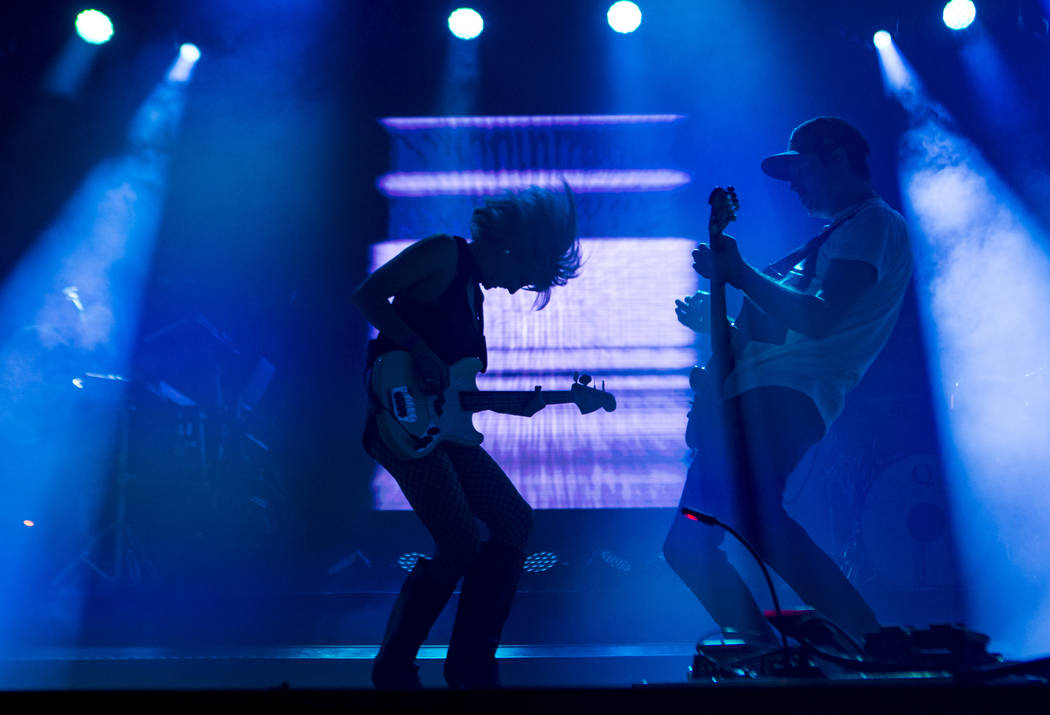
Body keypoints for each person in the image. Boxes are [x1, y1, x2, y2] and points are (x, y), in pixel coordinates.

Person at [665, 117, 913, 646]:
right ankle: (786, 646)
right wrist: (722, 316)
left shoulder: (873, 225)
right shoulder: (836, 237)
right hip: (762, 396)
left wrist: (738, 273)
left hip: (784, 399)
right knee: (705, 536)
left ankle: (854, 639)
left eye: (799, 169)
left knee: (710, 533)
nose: (793, 184)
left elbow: (823, 320)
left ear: (836, 158)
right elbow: (786, 329)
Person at [351, 184, 580, 689]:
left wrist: (515, 404)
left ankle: (471, 662)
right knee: (457, 541)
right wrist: (419, 349)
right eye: (526, 275)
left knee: (514, 521)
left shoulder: (473, 294)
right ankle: (393, 668)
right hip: (398, 419)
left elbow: (454, 391)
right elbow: (367, 295)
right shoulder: (442, 252)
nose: (521, 287)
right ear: (512, 247)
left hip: (441, 428)